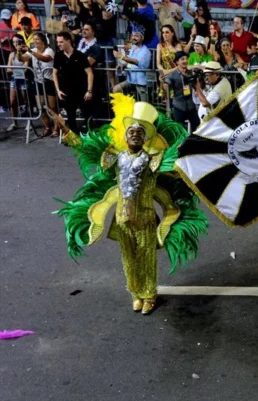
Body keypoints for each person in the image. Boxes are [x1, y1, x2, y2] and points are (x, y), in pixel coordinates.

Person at [55, 96, 209, 315]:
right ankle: (136, 293)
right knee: (128, 257)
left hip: (146, 217)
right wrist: (66, 131)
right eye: (131, 132)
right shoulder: (115, 157)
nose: (135, 135)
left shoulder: (154, 159)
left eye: (140, 133)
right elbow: (87, 149)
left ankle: (149, 295)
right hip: (122, 217)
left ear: (145, 138)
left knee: (146, 257)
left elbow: (180, 165)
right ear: (125, 137)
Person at [17, 32, 58, 137]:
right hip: (38, 81)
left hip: (49, 81)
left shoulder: (49, 50)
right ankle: (47, 127)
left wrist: (30, 51)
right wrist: (18, 51)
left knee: (52, 107)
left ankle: (56, 128)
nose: (35, 41)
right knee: (41, 106)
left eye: (37, 39)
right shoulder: (33, 51)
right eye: (34, 39)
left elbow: (45, 58)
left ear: (43, 41)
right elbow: (22, 59)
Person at [53, 31, 94, 134]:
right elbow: (54, 73)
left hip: (81, 90)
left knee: (87, 114)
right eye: (58, 42)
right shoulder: (58, 56)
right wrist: (58, 90)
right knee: (70, 117)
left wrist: (89, 90)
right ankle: (73, 137)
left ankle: (89, 135)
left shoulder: (80, 55)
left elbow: (89, 73)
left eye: (61, 42)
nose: (58, 44)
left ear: (68, 41)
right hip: (66, 91)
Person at [113, 29, 152, 102]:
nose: (133, 37)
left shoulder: (146, 51)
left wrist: (122, 57)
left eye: (136, 36)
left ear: (142, 38)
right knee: (116, 89)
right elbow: (130, 62)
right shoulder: (133, 48)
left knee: (144, 106)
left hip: (141, 83)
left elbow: (137, 62)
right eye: (132, 35)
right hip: (130, 80)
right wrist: (123, 65)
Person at [164, 51, 200, 130]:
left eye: (186, 59)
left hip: (191, 106)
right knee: (179, 130)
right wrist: (163, 83)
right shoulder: (172, 75)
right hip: (179, 107)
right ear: (177, 62)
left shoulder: (190, 73)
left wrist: (197, 90)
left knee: (197, 127)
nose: (185, 61)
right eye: (182, 59)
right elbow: (166, 85)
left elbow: (195, 84)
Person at [5, 35, 29, 133]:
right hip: (14, 78)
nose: (16, 44)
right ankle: (14, 122)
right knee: (12, 101)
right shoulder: (11, 54)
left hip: (24, 79)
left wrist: (15, 69)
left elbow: (26, 68)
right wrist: (16, 70)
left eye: (18, 41)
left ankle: (29, 122)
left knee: (26, 101)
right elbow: (8, 68)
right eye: (14, 42)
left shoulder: (26, 54)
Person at [157, 24, 183, 100]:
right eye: (163, 32)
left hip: (176, 75)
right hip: (165, 76)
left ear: (172, 33)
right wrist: (163, 71)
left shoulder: (178, 46)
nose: (164, 34)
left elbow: (181, 64)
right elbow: (158, 63)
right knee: (166, 101)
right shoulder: (160, 46)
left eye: (167, 32)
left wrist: (168, 71)